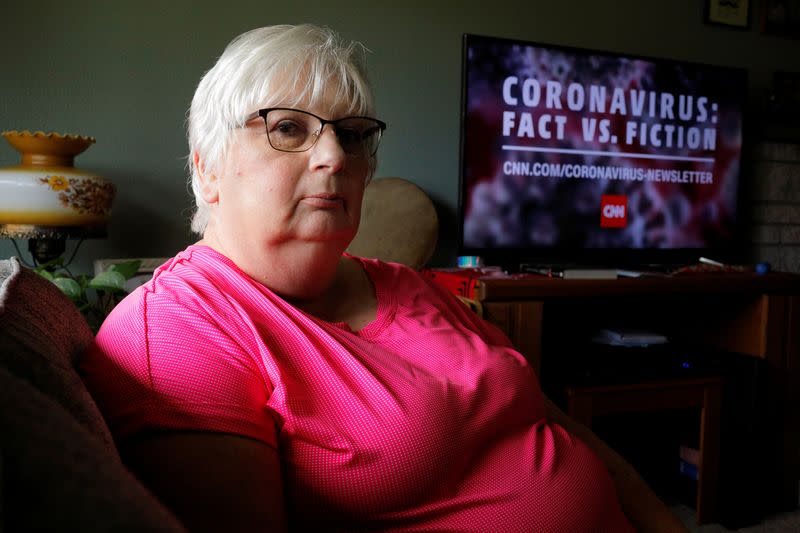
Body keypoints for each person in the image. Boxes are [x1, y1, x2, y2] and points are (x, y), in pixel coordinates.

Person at [80, 24, 687, 532]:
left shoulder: (413, 286)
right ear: (207, 166)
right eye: (289, 128)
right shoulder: (180, 328)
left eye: (353, 135)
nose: (335, 157)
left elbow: (558, 429)